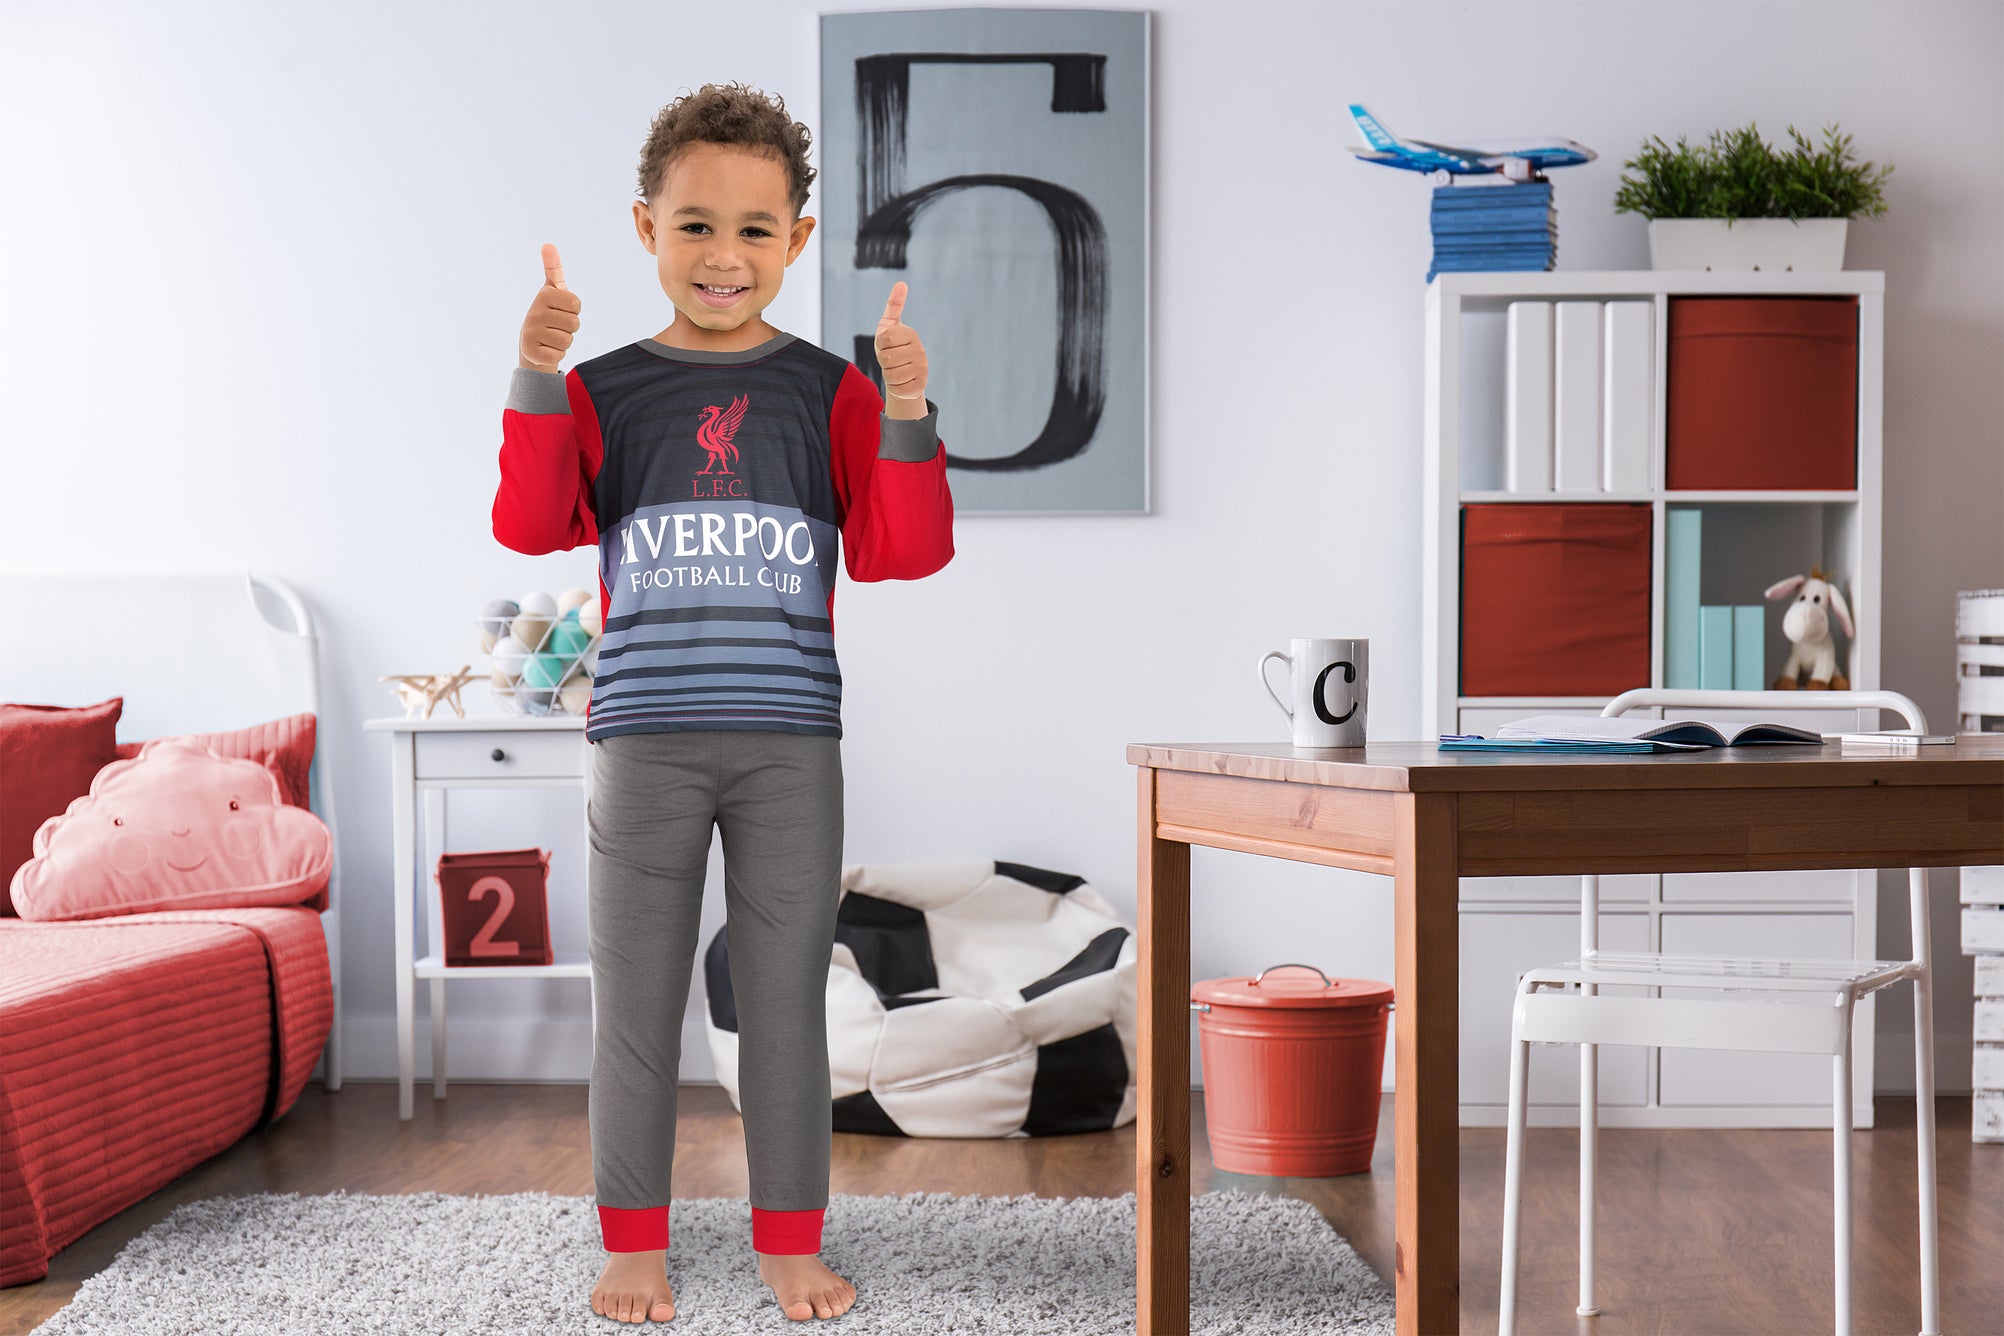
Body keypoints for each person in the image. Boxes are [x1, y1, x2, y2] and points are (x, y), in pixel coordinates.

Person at [490, 81, 954, 1325]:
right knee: (633, 1008)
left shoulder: (829, 393)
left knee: (781, 1005)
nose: (723, 256)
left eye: (755, 230)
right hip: (640, 743)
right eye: (695, 225)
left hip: (790, 745)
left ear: (797, 242)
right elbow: (532, 523)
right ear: (646, 228)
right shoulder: (602, 391)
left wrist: (906, 408)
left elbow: (902, 550)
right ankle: (633, 1243)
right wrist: (537, 376)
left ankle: (789, 1244)